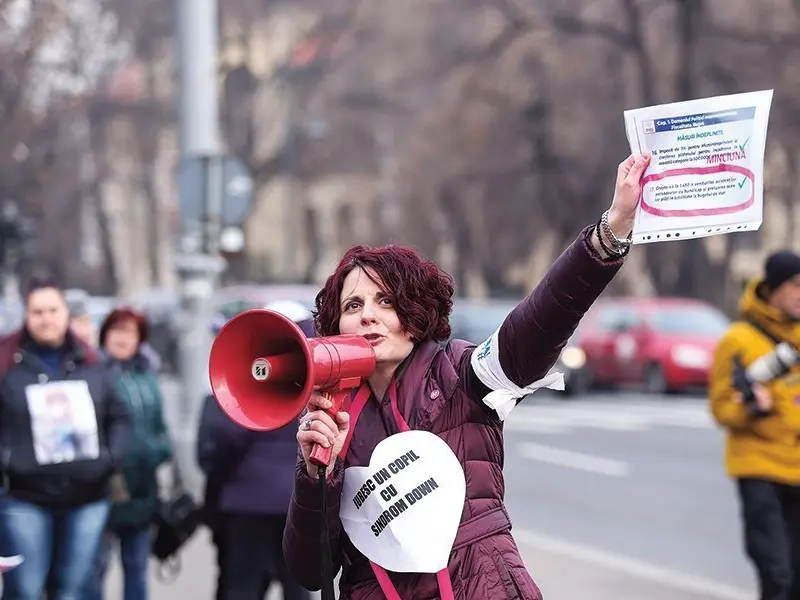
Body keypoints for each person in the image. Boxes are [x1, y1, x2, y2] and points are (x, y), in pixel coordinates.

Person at [279, 152, 651, 599]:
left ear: (414, 316)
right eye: (353, 306)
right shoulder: (334, 415)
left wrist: (608, 236)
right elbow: (309, 570)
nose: (367, 318)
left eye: (386, 302)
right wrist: (318, 473)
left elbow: (535, 325)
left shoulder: (460, 374)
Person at [0, 277, 130, 600]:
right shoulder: (8, 367)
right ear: (27, 317)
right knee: (26, 589)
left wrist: (110, 459)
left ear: (65, 315)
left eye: (53, 310)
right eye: (38, 311)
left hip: (87, 497)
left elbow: (119, 417)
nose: (46, 319)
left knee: (72, 589)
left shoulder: (91, 363)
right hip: (26, 497)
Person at [199, 301, 313, 600]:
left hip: (247, 503)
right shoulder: (318, 378)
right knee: (297, 588)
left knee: (243, 588)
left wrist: (222, 479)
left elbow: (225, 439)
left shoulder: (252, 374)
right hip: (298, 504)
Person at [709, 250, 800, 600]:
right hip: (760, 470)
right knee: (777, 575)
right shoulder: (739, 340)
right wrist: (750, 406)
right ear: (773, 288)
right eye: (795, 286)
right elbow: (721, 409)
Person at [85, 308, 173, 600]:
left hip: (142, 488)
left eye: (130, 332)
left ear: (140, 339)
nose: (122, 338)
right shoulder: (93, 374)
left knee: (136, 566)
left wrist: (159, 451)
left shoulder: (146, 376)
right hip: (105, 487)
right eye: (116, 331)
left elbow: (160, 428)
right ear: (105, 335)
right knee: (95, 567)